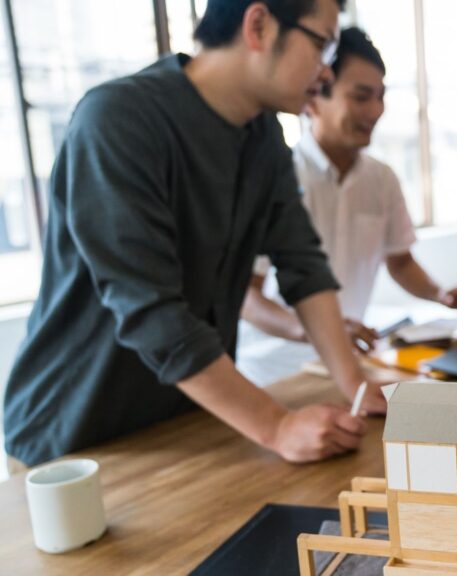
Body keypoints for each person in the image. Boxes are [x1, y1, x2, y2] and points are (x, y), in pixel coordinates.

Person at [3, 0, 383, 470]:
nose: (326, 73)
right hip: (72, 437)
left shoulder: (263, 138)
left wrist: (356, 384)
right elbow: (151, 313)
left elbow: (302, 263)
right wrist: (278, 426)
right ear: (259, 26)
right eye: (323, 45)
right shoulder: (119, 119)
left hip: (185, 422)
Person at [242, 27, 457, 350]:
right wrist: (313, 330)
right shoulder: (279, 177)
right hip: (276, 367)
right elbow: (247, 295)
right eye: (361, 96)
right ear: (313, 99)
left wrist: (440, 294)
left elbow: (400, 262)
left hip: (351, 360)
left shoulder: (382, 180)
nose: (375, 110)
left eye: (381, 97)